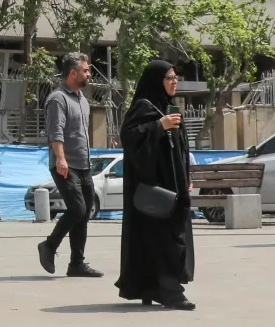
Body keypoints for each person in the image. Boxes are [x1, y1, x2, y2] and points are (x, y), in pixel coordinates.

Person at [115, 60, 195, 310]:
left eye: (175, 78)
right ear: (156, 81)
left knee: (165, 237)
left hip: (174, 185)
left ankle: (151, 288)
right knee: (163, 239)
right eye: (169, 78)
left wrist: (186, 176)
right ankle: (171, 292)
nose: (174, 82)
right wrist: (159, 126)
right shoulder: (144, 106)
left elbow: (181, 148)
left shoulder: (170, 106)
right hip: (156, 188)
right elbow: (129, 137)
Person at [37, 52, 102, 278]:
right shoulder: (58, 99)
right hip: (66, 164)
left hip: (84, 165)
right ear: (73, 73)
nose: (89, 74)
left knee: (84, 214)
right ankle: (49, 246)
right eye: (85, 70)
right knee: (77, 209)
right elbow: (55, 131)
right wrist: (60, 158)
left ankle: (77, 263)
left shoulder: (82, 99)